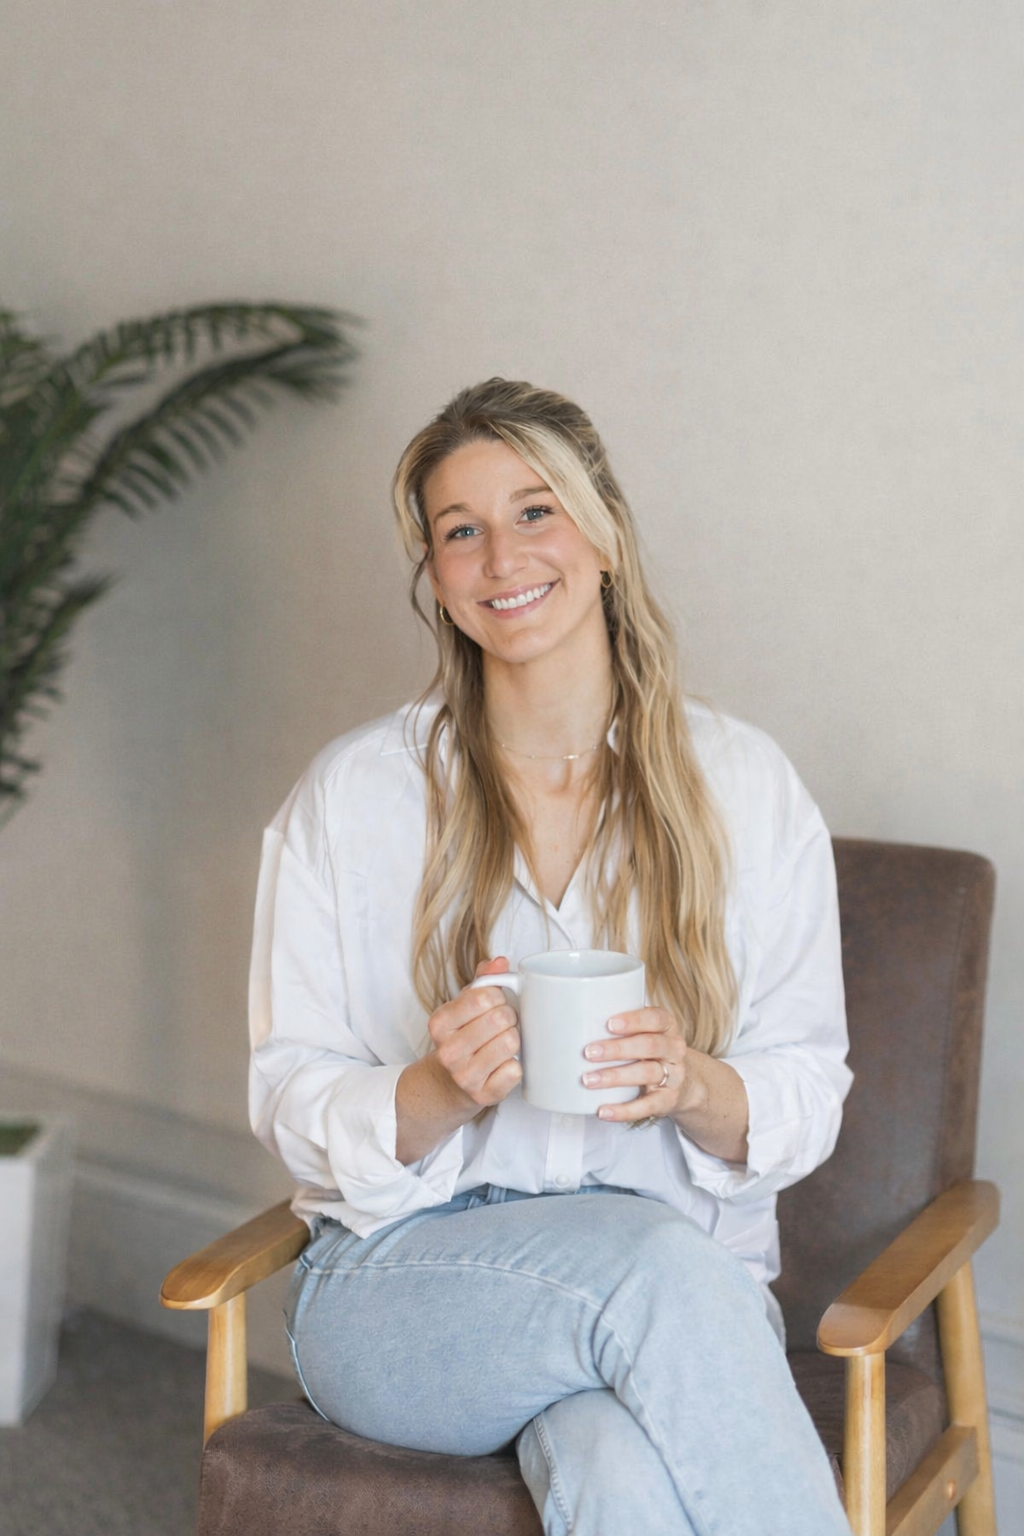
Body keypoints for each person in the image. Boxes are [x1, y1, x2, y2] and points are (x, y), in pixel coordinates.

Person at [249, 378, 854, 1535]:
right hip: (404, 1293)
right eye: (457, 530)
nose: (499, 556)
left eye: (536, 512)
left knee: (618, 1472)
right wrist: (430, 1092)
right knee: (655, 1271)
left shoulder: (744, 786)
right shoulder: (356, 793)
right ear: (432, 573)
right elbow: (287, 1095)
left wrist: (690, 1086)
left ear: (606, 534)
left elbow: (803, 1090)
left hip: (664, 1295)